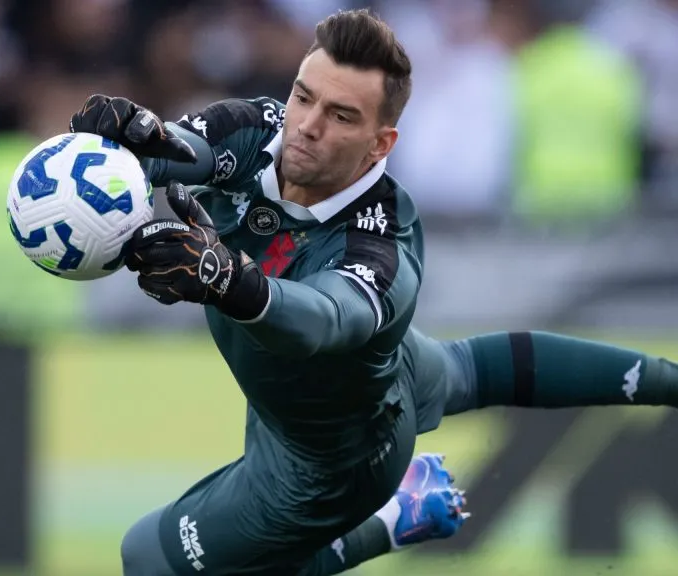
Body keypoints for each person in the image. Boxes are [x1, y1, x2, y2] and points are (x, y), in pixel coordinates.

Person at [67, 9, 678, 575]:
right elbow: (184, 151)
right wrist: (127, 141)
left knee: (148, 557)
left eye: (340, 115)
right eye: (303, 96)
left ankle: (381, 522)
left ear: (380, 144)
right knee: (468, 369)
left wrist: (229, 278)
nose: (305, 126)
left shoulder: (382, 244)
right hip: (369, 381)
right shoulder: (262, 127)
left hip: (329, 462)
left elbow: (323, 321)